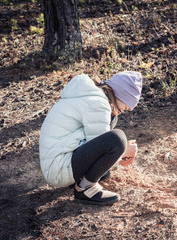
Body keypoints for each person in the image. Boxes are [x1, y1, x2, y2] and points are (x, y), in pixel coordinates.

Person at [39, 71, 142, 206]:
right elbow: (106, 144)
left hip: (58, 162)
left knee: (113, 119)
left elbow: (96, 142)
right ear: (119, 93)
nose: (128, 108)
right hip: (58, 169)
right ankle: (85, 188)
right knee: (118, 140)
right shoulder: (98, 103)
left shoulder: (91, 95)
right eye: (128, 102)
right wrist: (124, 151)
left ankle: (84, 177)